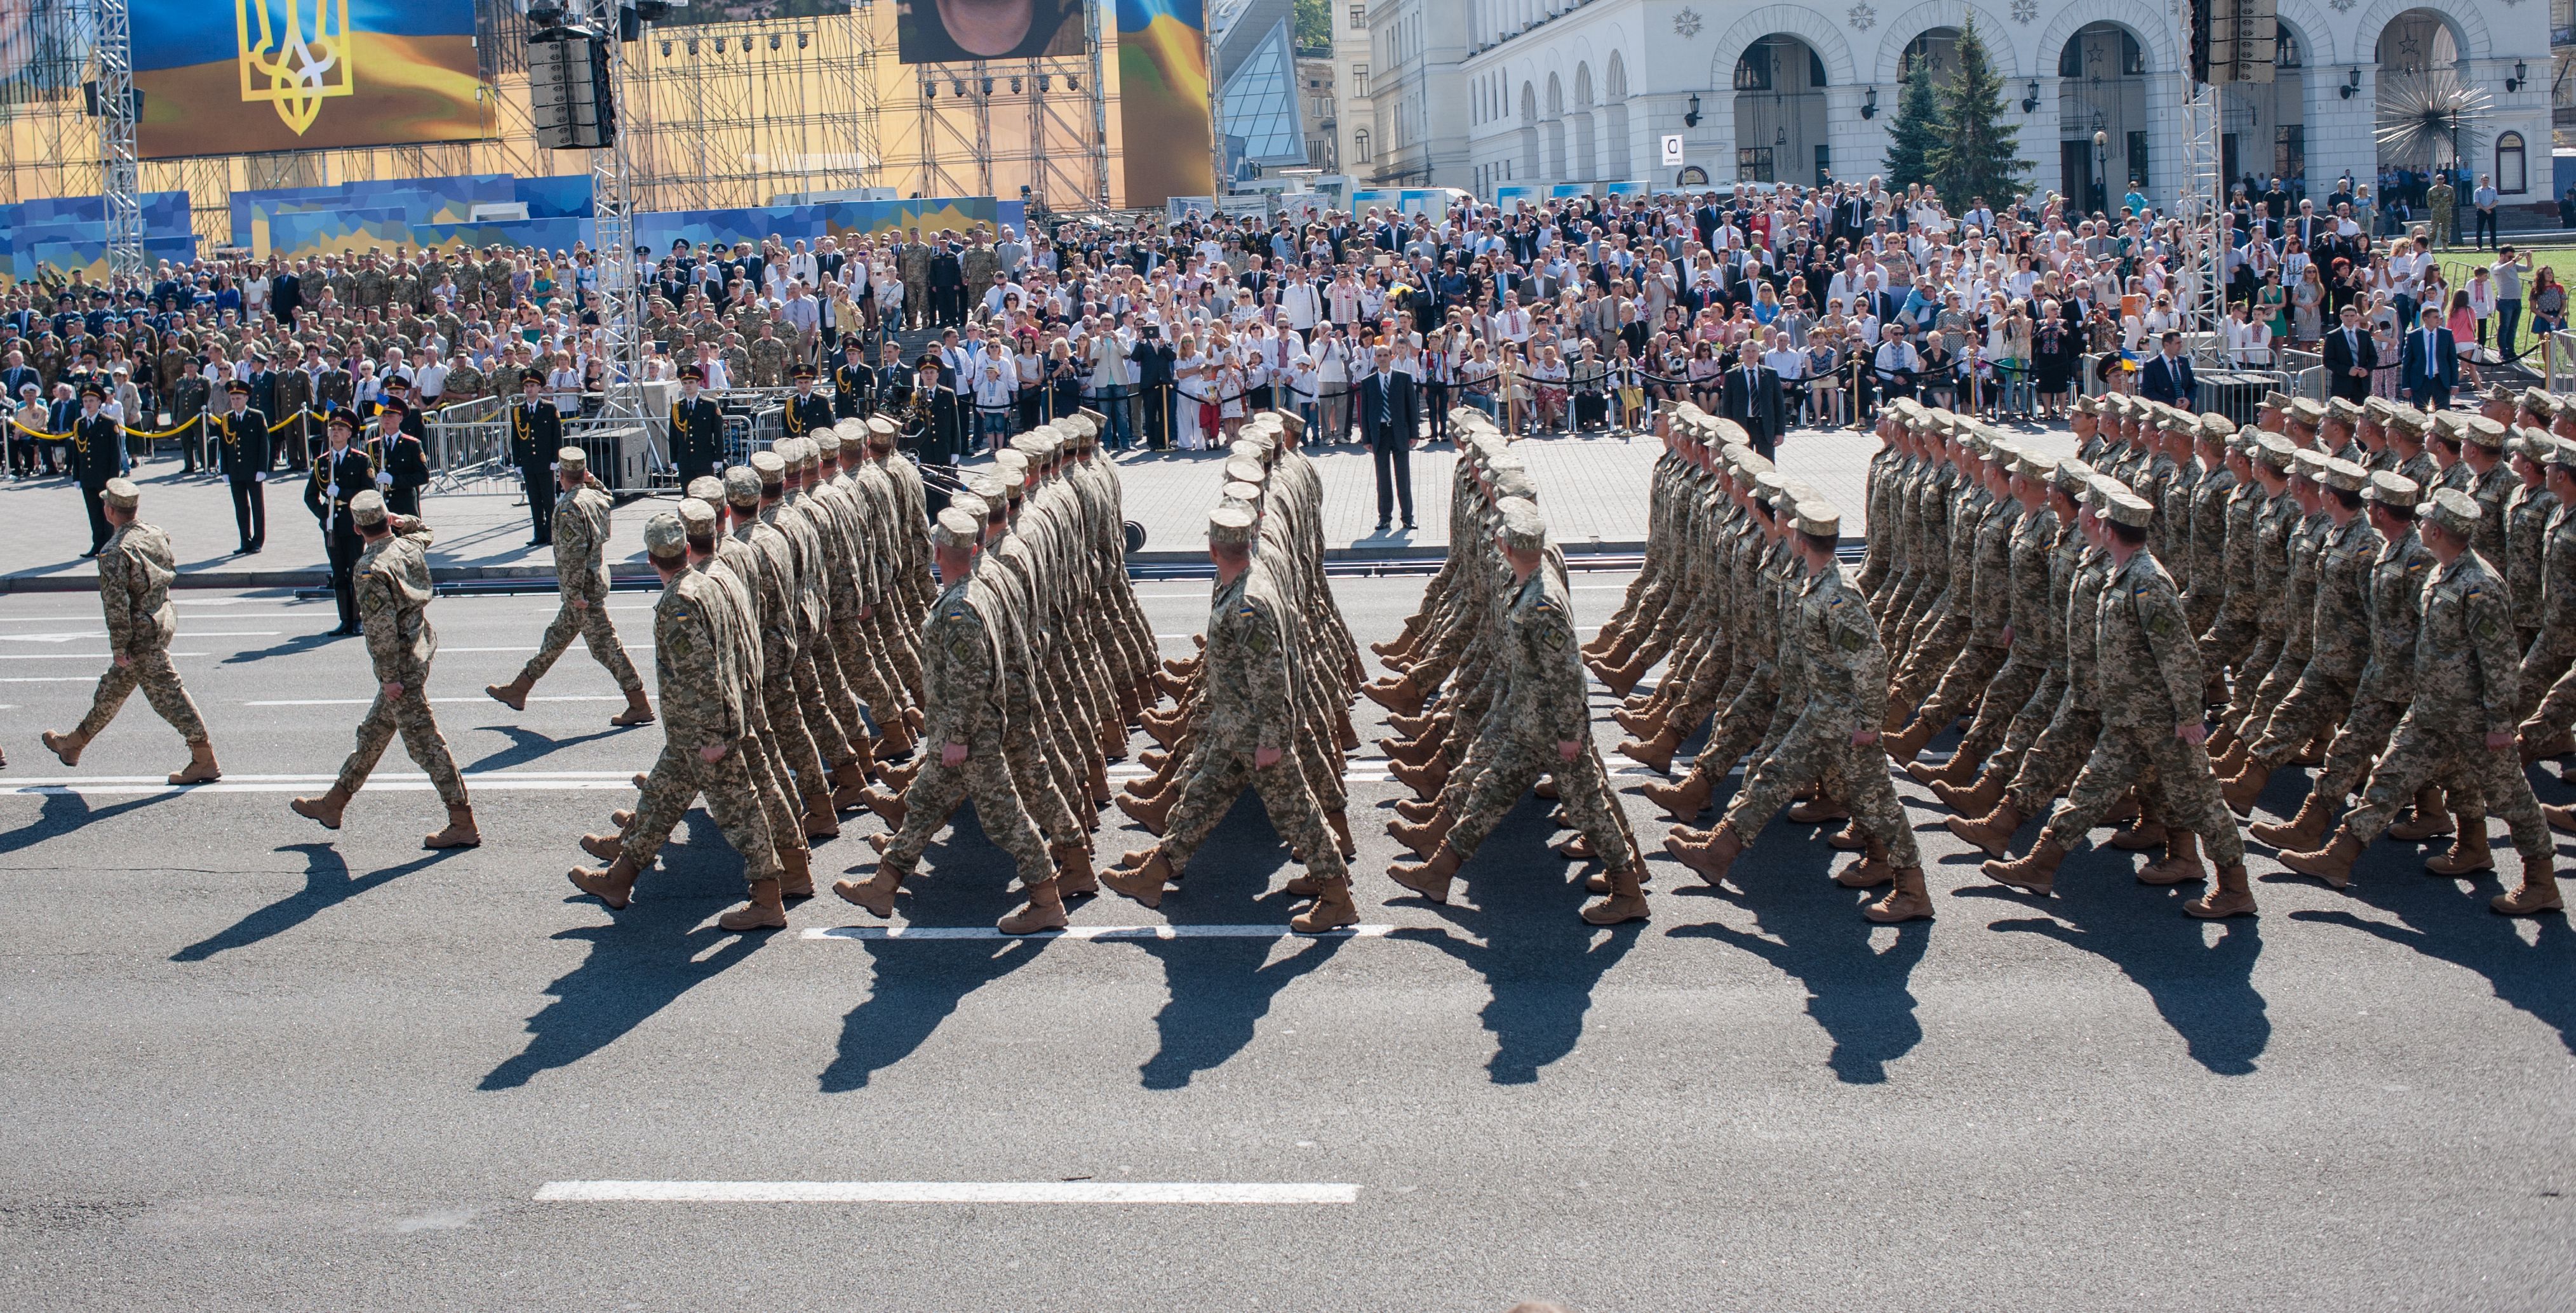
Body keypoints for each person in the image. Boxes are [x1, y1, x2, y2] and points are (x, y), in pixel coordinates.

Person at [2281, 489, 2563, 913]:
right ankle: (2339, 857)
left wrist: (2501, 724)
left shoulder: (2480, 584)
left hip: (2470, 717)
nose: (2421, 524)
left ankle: (2541, 882)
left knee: (2511, 799)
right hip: (2431, 710)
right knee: (2388, 779)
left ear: (2436, 530)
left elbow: (2501, 661)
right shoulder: (2443, 573)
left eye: (2427, 520)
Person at [1101, 503, 1358, 931]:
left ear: (1212, 548)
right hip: (1234, 726)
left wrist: (1272, 740)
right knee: (1200, 797)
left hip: (1256, 730)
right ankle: (1156, 873)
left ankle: (1336, 894)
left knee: (1295, 810)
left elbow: (1270, 675)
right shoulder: (1245, 582)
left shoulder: (1247, 604)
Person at [836, 504, 1066, 935]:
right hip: (956, 734)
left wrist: (958, 736)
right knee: (923, 806)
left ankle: (1047, 901)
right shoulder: (973, 593)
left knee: (1007, 820)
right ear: (975, 548)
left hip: (970, 738)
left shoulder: (960, 609)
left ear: (937, 552)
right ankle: (883, 887)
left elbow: (970, 678)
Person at [568, 507, 790, 932]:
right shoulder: (704, 584)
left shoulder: (680, 603)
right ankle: (619, 880)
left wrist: (711, 736)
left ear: (651, 560)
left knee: (741, 813)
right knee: (658, 801)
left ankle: (768, 899)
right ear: (687, 550)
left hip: (705, 732)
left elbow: (701, 672)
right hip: (695, 730)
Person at [288, 491, 480, 850]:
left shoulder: (369, 569)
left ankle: (462, 821)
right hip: (420, 649)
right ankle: (334, 803)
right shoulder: (407, 548)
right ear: (384, 519)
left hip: (402, 668)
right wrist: (400, 520)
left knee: (426, 744)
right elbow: (425, 530)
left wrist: (389, 678)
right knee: (373, 733)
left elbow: (380, 631)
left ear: (357, 527)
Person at [37, 477, 221, 785]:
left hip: (140, 637)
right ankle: (73, 744)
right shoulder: (155, 534)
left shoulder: (115, 552)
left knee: (168, 695)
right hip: (162, 621)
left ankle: (204, 758)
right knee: (113, 688)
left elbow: (116, 604)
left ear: (110, 511)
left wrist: (119, 647)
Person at [485, 446, 657, 726]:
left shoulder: (568, 507)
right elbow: (608, 496)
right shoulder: (594, 497)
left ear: (561, 475)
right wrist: (591, 480)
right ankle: (519, 689)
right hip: (594, 581)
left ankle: (639, 703)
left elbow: (572, 554)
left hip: (583, 591)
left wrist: (574, 594)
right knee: (555, 638)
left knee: (606, 649)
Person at [304, 411, 375, 636]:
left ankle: (357, 619)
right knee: (338, 574)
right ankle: (344, 619)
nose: (336, 433)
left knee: (356, 572)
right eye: (333, 429)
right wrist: (324, 514)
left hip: (353, 525)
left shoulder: (360, 460)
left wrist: (343, 493)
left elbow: (369, 492)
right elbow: (310, 496)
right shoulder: (322, 462)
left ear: (349, 433)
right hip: (332, 527)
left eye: (341, 429)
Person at [1358, 343, 1417, 531]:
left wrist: (1414, 434)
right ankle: (1385, 518)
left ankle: (1408, 517)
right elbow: (1364, 412)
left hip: (1399, 432)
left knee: (1403, 477)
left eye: (1386, 355)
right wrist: (1366, 438)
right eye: (1379, 355)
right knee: (1382, 479)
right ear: (1375, 359)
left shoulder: (1404, 379)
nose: (1383, 358)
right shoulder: (1368, 382)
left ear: (1392, 357)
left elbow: (1412, 408)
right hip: (1380, 434)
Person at [211, 378, 272, 554]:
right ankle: (245, 540)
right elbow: (223, 446)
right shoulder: (227, 419)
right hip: (235, 470)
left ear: (246, 399)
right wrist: (224, 470)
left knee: (257, 506)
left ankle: (258, 541)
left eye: (239, 398)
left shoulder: (257, 416)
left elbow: (264, 444)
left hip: (253, 470)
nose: (235, 402)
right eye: (233, 399)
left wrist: (262, 468)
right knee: (241, 507)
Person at [507, 373, 563, 546]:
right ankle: (538, 533)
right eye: (526, 386)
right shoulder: (518, 410)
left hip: (546, 461)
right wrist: (517, 462)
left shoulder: (549, 408)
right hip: (529, 463)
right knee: (534, 500)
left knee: (548, 500)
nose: (529, 389)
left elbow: (557, 436)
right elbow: (515, 438)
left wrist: (556, 458)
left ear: (539, 388)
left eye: (532, 386)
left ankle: (551, 534)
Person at [69, 382, 121, 557]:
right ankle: (97, 545)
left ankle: (109, 545)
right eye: (85, 401)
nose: (88, 404)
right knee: (93, 513)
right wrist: (76, 476)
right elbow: (77, 453)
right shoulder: (80, 424)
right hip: (87, 476)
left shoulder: (108, 423)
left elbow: (115, 454)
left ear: (99, 403)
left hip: (104, 477)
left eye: (92, 400)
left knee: (108, 514)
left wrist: (114, 479)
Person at [1720, 343, 1787, 460]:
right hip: (1742, 426)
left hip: (1765, 426)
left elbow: (1779, 405)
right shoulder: (1732, 375)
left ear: (1758, 353)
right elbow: (1727, 407)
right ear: (1742, 353)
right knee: (1743, 465)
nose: (1751, 354)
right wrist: (1728, 433)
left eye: (1754, 351)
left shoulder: (1771, 374)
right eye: (1747, 351)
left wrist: (1780, 432)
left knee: (1767, 466)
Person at [668, 363, 725, 481]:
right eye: (685, 383)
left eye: (691, 383)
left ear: (698, 384)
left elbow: (718, 434)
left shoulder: (710, 405)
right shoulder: (677, 407)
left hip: (704, 460)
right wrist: (673, 459)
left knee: (706, 497)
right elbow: (673, 436)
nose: (688, 386)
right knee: (687, 497)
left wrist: (719, 458)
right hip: (685, 462)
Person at [375, 395, 429, 517]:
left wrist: (394, 480)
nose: (386, 419)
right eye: (384, 416)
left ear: (400, 418)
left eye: (390, 416)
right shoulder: (374, 445)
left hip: (405, 505)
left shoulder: (412, 444)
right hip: (382, 507)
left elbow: (423, 476)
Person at [2401, 304, 2458, 412]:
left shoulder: (2446, 334)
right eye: (2435, 317)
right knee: (2419, 415)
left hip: (2441, 380)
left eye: (2439, 317)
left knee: (2444, 415)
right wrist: (2406, 386)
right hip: (2421, 381)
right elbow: (2407, 362)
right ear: (2426, 319)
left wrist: (2454, 383)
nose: (2439, 319)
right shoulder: (2414, 336)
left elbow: (2453, 360)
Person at [2323, 303, 2378, 404]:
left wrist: (2366, 370)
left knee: (2360, 416)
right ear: (2341, 317)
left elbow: (2373, 358)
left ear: (2356, 317)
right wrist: (2347, 370)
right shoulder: (2333, 336)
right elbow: (2328, 361)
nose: (2349, 318)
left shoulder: (2364, 334)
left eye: (2352, 316)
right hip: (2341, 383)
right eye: (2346, 316)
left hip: (2361, 383)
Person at [2139, 330, 2196, 408]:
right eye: (2177, 343)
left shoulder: (2184, 361)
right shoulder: (2152, 365)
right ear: (2166, 345)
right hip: (2164, 412)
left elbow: (2192, 385)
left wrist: (2188, 400)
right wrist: (2172, 403)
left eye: (2181, 342)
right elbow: (2148, 393)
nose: (2181, 346)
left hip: (2185, 411)